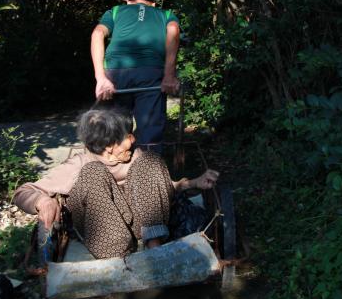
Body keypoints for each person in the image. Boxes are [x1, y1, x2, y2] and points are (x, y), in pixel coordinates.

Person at [13, 107, 219, 259]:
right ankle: (117, 254)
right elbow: (24, 191)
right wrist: (42, 201)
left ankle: (153, 246)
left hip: (142, 225)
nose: (132, 139)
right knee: (93, 173)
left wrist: (191, 183)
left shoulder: (136, 155)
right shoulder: (79, 164)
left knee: (149, 160)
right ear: (110, 146)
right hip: (106, 234)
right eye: (127, 135)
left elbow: (158, 190)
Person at [90, 0, 181, 154]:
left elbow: (97, 33)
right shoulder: (166, 14)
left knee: (116, 128)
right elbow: (174, 31)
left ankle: (117, 171)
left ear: (127, 1)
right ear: (153, 2)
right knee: (150, 129)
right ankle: (148, 175)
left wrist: (100, 79)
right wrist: (169, 76)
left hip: (116, 73)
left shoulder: (115, 12)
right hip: (150, 72)